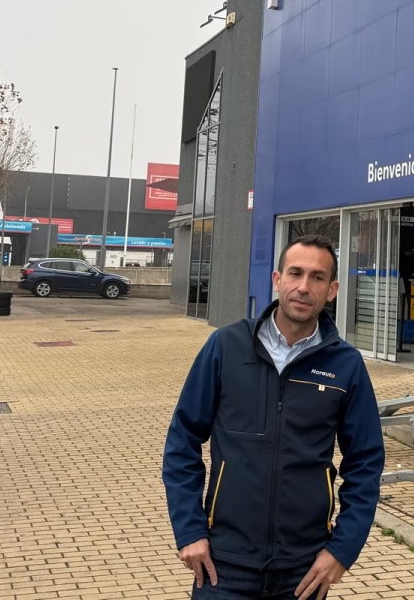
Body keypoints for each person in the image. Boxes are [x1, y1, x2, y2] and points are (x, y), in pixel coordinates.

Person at [163, 234, 385, 599]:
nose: (303, 286)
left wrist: (341, 551)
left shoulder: (346, 366)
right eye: (295, 273)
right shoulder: (226, 346)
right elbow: (182, 440)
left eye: (316, 277)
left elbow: (365, 464)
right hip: (223, 566)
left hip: (304, 570)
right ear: (277, 279)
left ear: (332, 290)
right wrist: (190, 531)